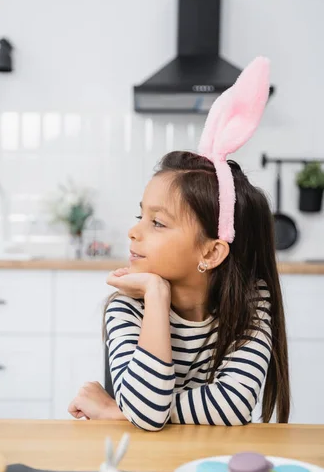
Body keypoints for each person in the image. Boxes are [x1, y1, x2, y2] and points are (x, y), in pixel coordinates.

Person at [68, 57, 290, 430]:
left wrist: (118, 411)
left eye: (157, 222)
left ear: (211, 251)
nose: (134, 232)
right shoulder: (126, 307)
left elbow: (232, 407)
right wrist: (155, 294)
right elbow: (150, 416)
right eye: (140, 216)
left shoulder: (252, 301)